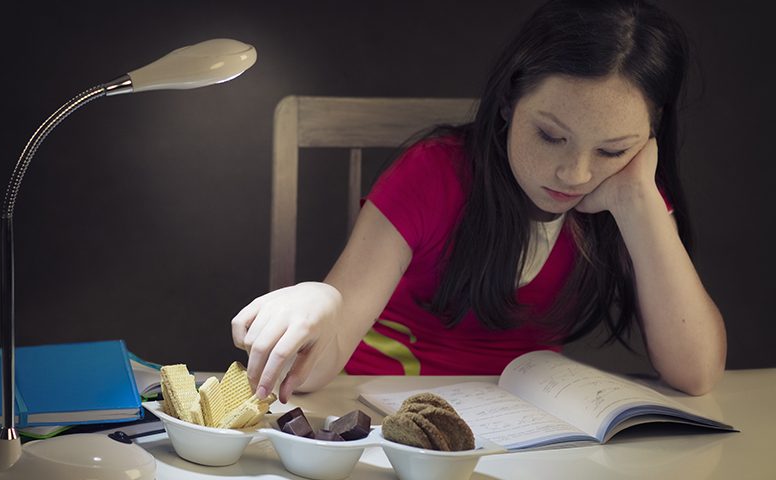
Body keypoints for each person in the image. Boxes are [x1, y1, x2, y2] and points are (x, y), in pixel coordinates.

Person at [232, 0, 726, 402]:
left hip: (517, 425)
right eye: (551, 136)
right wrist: (324, 300)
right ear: (510, 100)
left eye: (612, 149)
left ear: (649, 134)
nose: (575, 174)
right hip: (380, 407)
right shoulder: (434, 174)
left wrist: (639, 198)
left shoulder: (626, 186)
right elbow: (319, 365)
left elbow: (697, 372)